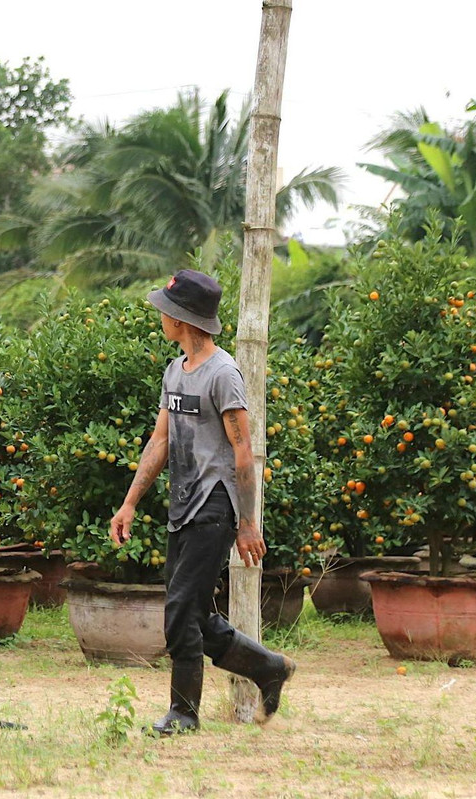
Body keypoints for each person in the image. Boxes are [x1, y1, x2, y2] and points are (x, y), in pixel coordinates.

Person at [109, 269, 295, 736]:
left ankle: (184, 713)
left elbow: (244, 452)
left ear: (181, 318)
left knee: (179, 612)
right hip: (183, 503)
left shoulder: (223, 374)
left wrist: (247, 523)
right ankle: (269, 667)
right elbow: (160, 441)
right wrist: (129, 503)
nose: (159, 316)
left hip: (215, 505)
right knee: (193, 613)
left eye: (164, 310)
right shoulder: (176, 370)